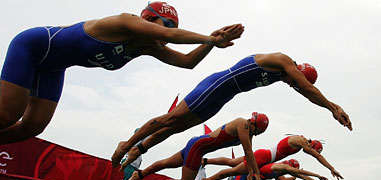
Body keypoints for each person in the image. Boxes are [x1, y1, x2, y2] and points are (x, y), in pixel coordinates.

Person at [0, 1, 244, 144]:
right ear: (148, 19)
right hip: (33, 46)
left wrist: (211, 43)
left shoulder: (145, 46)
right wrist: (210, 38)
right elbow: (167, 36)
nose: (170, 32)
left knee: (33, 126)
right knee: (8, 115)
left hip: (53, 67)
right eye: (167, 24)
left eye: (175, 27)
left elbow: (188, 62)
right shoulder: (125, 22)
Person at [111, 52, 353, 168]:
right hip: (216, 85)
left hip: (223, 97)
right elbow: (308, 90)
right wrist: (333, 107)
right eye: (295, 81)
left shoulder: (283, 76)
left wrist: (332, 107)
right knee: (171, 118)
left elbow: (307, 94)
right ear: (297, 71)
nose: (293, 85)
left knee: (176, 128)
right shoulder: (282, 61)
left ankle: (140, 148)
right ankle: (128, 143)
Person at [122, 113, 268, 180]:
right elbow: (248, 152)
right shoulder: (243, 124)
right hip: (198, 147)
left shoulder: (249, 133)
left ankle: (138, 174)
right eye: (257, 131)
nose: (256, 134)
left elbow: (249, 154)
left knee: (166, 163)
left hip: (197, 145)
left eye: (259, 134)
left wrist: (250, 172)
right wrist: (255, 174)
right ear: (253, 123)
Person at [197, 135, 344, 180]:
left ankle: (206, 160)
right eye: (316, 151)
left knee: (231, 162)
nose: (313, 153)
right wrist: (331, 168)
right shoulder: (300, 141)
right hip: (263, 158)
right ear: (313, 146)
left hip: (263, 156)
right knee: (232, 171)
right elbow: (315, 158)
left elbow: (299, 175)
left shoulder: (299, 142)